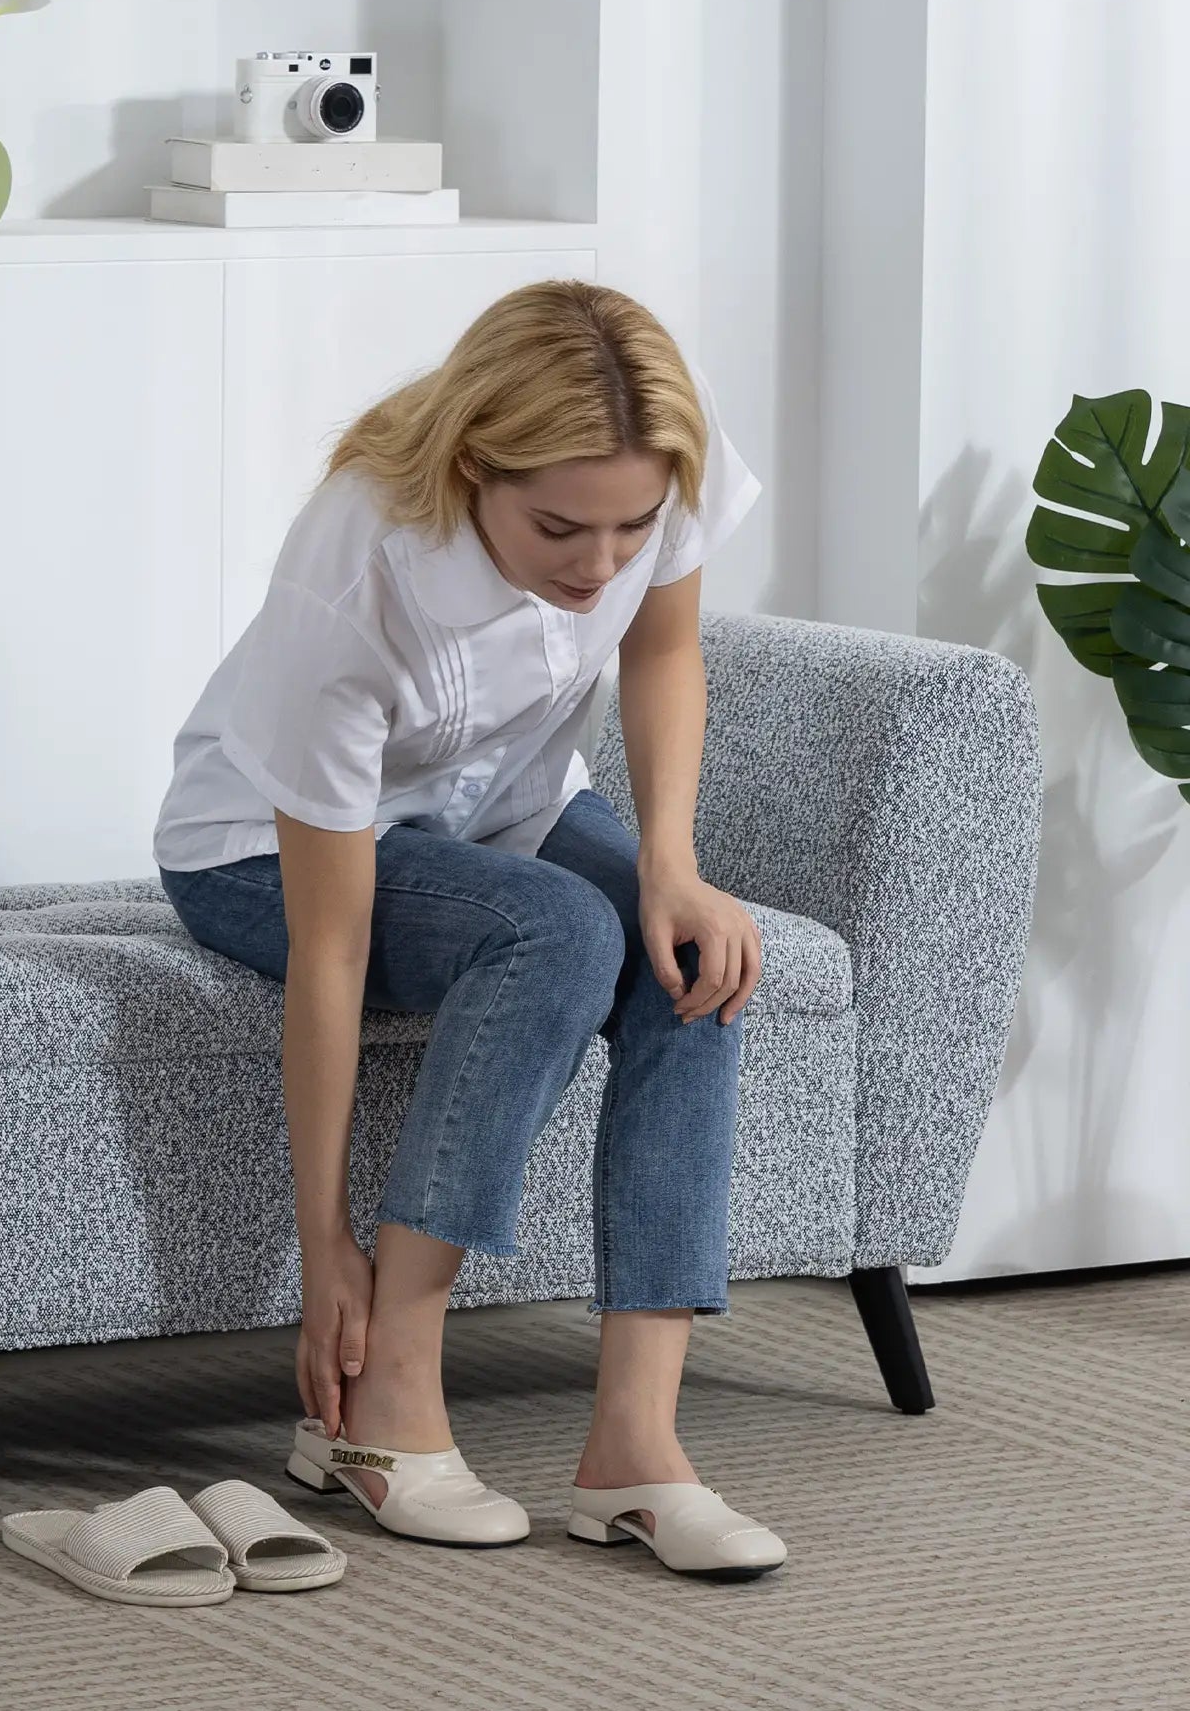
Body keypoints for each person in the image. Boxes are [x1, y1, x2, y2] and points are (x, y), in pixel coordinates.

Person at [150, 278, 788, 1580]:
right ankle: (390, 1399)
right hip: (258, 853)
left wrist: (671, 863)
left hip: (505, 809)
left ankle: (636, 1448)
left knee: (690, 958)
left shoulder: (660, 450)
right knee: (555, 934)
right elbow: (329, 951)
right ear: (471, 468)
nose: (599, 563)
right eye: (559, 526)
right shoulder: (355, 576)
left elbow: (663, 652)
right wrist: (326, 1239)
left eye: (631, 528)